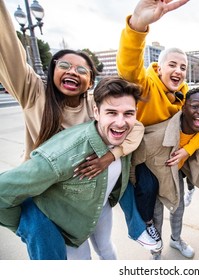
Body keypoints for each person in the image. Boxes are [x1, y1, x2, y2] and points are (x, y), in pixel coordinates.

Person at [0, 0, 157, 260]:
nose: (73, 71)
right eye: (64, 66)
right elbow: (8, 51)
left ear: (90, 81)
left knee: (106, 242)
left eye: (81, 69)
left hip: (89, 191)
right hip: (48, 193)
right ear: (51, 72)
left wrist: (111, 155)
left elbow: (135, 125)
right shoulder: (33, 92)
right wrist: (22, 224)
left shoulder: (95, 102)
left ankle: (139, 226)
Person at [0, 76, 145, 260]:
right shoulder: (63, 155)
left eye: (128, 114)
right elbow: (2, 191)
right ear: (96, 112)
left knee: (107, 249)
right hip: (68, 227)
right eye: (111, 112)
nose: (120, 122)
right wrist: (25, 227)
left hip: (100, 210)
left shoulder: (128, 134)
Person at [116, 0, 199, 247]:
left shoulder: (187, 94)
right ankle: (153, 239)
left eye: (183, 67)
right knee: (152, 199)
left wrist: (187, 151)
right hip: (146, 159)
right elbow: (128, 69)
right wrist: (137, 25)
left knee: (177, 204)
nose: (178, 71)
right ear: (159, 69)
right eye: (173, 65)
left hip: (173, 159)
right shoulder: (146, 85)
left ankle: (176, 240)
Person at [130, 87, 199, 260]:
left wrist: (187, 150)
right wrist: (137, 184)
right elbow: (135, 158)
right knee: (157, 216)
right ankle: (156, 251)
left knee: (178, 209)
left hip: (175, 175)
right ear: (183, 108)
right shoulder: (157, 136)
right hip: (155, 178)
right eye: (195, 106)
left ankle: (176, 240)